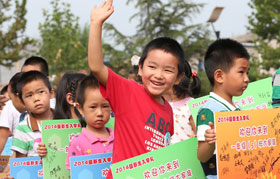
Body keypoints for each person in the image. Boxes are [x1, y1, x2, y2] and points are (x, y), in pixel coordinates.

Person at [88, 0, 185, 178]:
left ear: (178, 78)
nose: (158, 75)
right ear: (140, 68)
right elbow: (96, 67)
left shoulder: (169, 111)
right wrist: (96, 24)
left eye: (168, 70)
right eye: (152, 67)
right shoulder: (127, 91)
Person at [196, 39, 250, 179]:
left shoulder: (238, 108)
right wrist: (210, 142)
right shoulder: (208, 111)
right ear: (219, 76)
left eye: (247, 73)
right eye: (241, 72)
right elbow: (201, 156)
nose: (246, 79)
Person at [65, 75, 114, 170]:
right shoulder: (77, 143)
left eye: (105, 106)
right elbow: (75, 174)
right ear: (80, 108)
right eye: (93, 107)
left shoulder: (119, 138)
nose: (99, 113)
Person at [37, 72, 86, 157]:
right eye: (86, 92)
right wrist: (44, 155)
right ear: (70, 99)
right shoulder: (51, 132)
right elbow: (51, 165)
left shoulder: (97, 125)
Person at [11, 71, 54, 157]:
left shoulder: (63, 119)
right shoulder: (22, 128)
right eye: (29, 95)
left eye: (41, 92)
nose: (36, 99)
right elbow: (20, 163)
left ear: (51, 93)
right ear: (22, 102)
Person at [164, 60, 201, 144]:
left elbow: (200, 137)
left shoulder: (192, 106)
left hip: (186, 155)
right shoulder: (160, 104)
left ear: (178, 79)